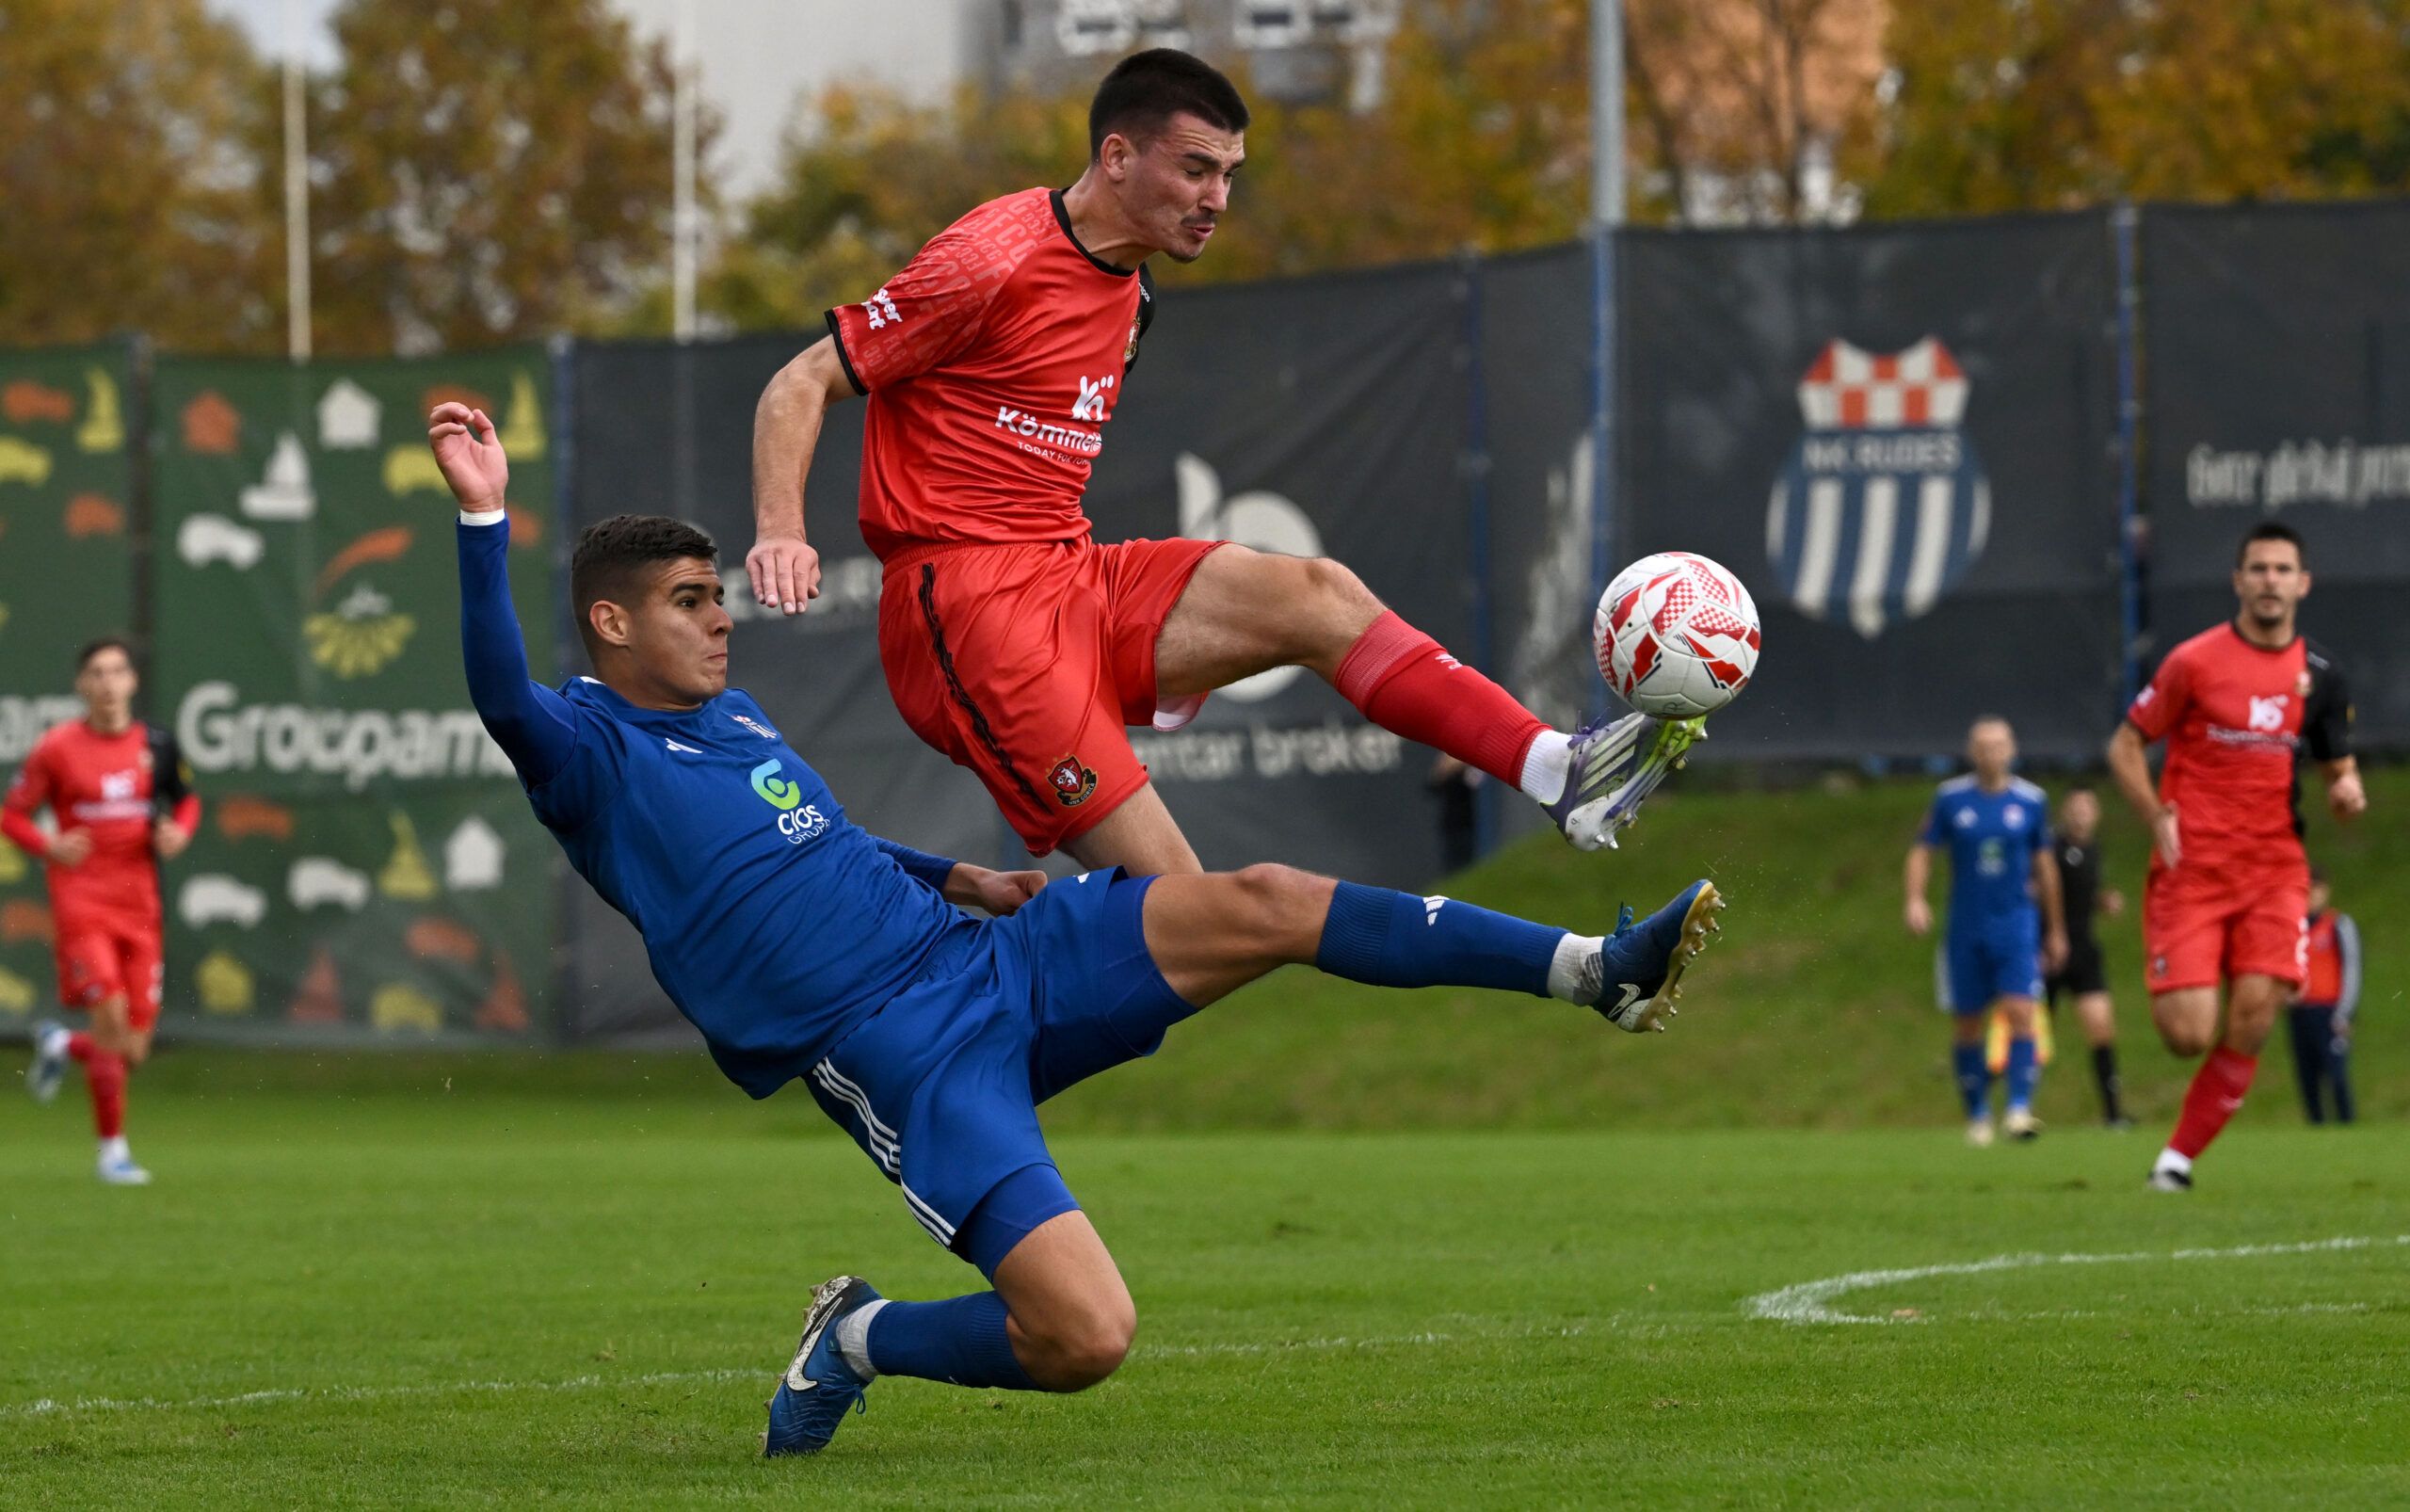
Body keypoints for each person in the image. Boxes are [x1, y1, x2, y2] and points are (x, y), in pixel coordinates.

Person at [427, 402, 1728, 1456]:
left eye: (718, 594)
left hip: (986, 951)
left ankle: (1593, 971)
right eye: (690, 599)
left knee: (1266, 899)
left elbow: (812, 850)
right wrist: (485, 515)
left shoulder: (735, 717)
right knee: (1085, 1336)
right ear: (610, 623)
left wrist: (960, 878)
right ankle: (859, 1337)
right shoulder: (582, 748)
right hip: (902, 1052)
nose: (721, 618)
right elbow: (497, 684)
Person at [747, 49, 1695, 877]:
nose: (1217, 201)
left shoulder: (1133, 290)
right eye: (1196, 170)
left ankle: (1556, 773)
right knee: (1195, 910)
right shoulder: (989, 258)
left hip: (1065, 573)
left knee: (1316, 595)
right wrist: (781, 532)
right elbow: (798, 381)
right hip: (965, 615)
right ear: (1116, 156)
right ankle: (950, 1044)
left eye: (1230, 175)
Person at [2108, 521, 2365, 1192]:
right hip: (2194, 868)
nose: (2270, 581)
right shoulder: (2193, 662)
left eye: (2283, 570)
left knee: (2254, 1015)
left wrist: (2346, 789)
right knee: (2189, 1033)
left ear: (2303, 584)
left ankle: (2176, 1161)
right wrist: (2152, 814)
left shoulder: (2322, 677)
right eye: (2258, 569)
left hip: (2275, 869)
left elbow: (2340, 769)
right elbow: (2126, 745)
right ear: (2238, 581)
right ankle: (2197, 958)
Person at [8, 637, 201, 1184]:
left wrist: (178, 832)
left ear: (133, 682)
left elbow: (186, 800)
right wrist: (48, 846)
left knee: (133, 1049)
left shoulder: (157, 744)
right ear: (81, 685)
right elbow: (14, 814)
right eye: (97, 673)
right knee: (112, 1024)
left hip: (140, 906)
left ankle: (60, 1044)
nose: (109, 683)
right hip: (82, 904)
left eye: (118, 671)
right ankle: (111, 1151)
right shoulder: (57, 748)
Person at [1904, 717, 2067, 1146]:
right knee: (1968, 1024)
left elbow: (2046, 867)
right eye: (1983, 746)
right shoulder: (1950, 799)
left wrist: (2055, 929)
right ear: (1972, 752)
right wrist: (1916, 899)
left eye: (1999, 745)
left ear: (2012, 750)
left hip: (2016, 924)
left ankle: (2018, 1109)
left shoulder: (2032, 801)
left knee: (2021, 1013)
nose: (1991, 753)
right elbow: (1922, 851)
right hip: (1966, 924)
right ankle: (1977, 1114)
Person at [2044, 785, 2131, 1128]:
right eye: (2075, 806)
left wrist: (2102, 901)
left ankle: (2113, 1114)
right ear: (2065, 810)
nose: (2081, 813)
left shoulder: (2093, 850)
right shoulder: (2049, 847)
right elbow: (2039, 893)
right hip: (2049, 949)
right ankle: (2010, 1108)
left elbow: (2080, 894)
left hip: (2083, 951)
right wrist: (2047, 937)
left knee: (2101, 1029)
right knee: (2033, 1035)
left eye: (2088, 807)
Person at [2287, 868, 2360, 1126]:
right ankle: (2316, 1128)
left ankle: (2347, 1125)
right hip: (2300, 1012)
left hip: (2329, 1012)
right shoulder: (2294, 928)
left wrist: (2344, 1012)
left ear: (2325, 892)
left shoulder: (2338, 924)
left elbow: (2352, 967)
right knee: (2307, 1077)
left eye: (2316, 891)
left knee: (2336, 1075)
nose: (2311, 897)